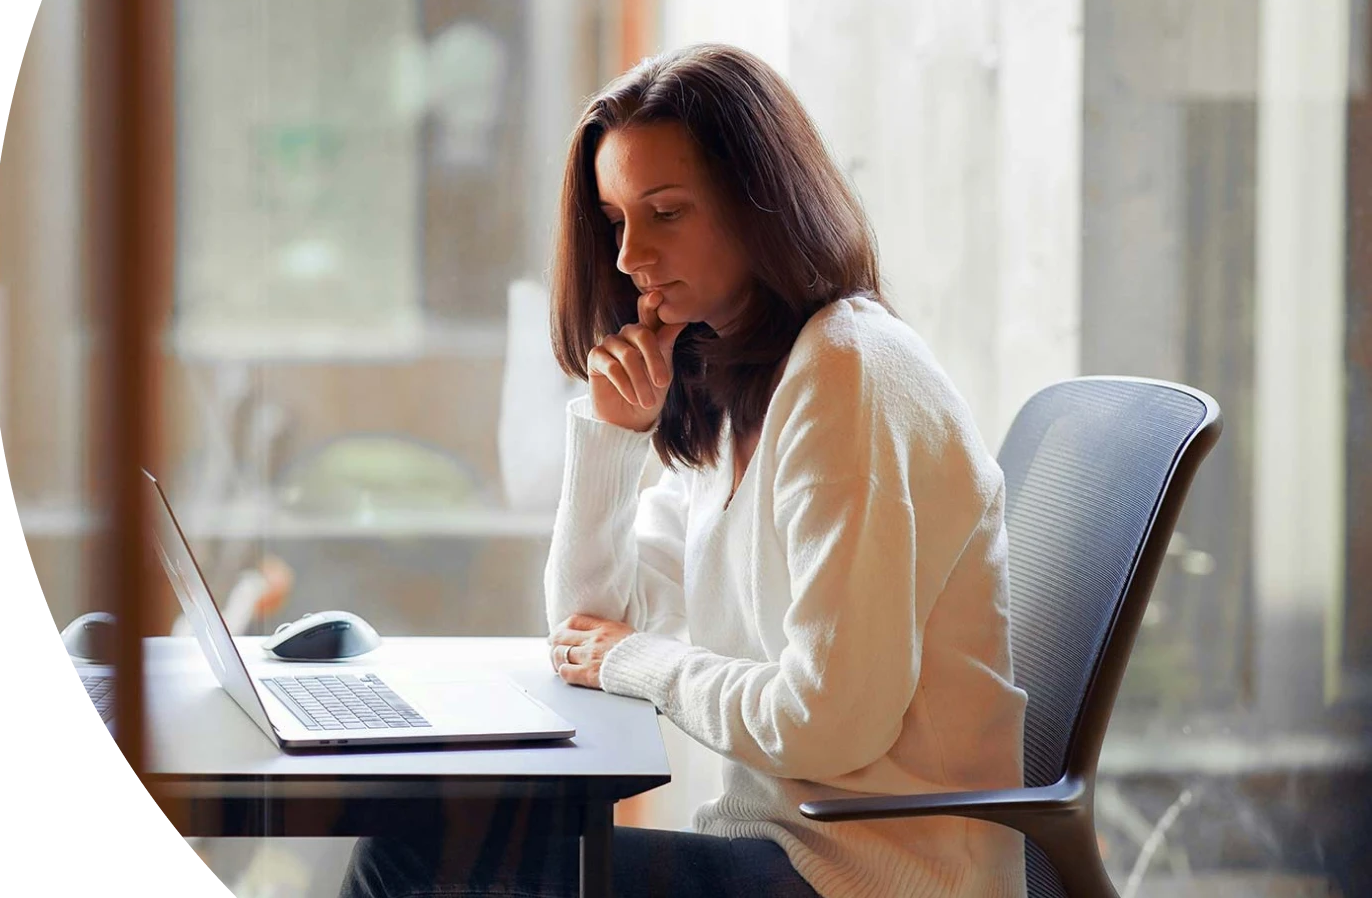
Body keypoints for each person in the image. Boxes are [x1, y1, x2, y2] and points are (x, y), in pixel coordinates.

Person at [341, 44, 1028, 898]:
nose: (630, 256)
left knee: (410, 861)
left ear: (759, 208)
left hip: (873, 879)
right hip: (790, 853)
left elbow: (827, 725)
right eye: (616, 217)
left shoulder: (848, 377)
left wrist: (634, 660)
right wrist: (612, 433)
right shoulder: (736, 387)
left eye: (666, 212)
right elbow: (584, 630)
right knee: (424, 848)